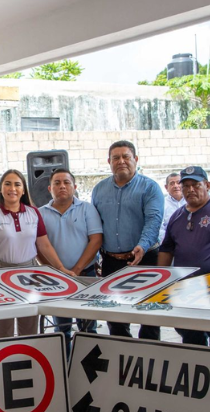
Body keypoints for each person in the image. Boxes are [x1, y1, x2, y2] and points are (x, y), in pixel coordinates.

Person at [0, 169, 72, 338]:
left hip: (30, 273)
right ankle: (3, 360)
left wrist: (61, 268)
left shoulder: (33, 213)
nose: (12, 188)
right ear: (0, 189)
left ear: (23, 190)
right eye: (7, 184)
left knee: (29, 325)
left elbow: (44, 245)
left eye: (17, 184)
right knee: (2, 326)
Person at [91, 140, 164, 340]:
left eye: (126, 157)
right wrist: (96, 256)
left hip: (145, 258)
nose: (121, 161)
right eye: (116, 158)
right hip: (111, 262)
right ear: (109, 161)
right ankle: (122, 358)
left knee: (149, 315)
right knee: (115, 316)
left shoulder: (150, 188)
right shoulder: (99, 190)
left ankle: (149, 359)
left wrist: (142, 245)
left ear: (136, 160)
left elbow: (153, 220)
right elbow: (96, 227)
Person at [159, 166, 210, 347]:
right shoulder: (177, 216)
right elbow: (166, 250)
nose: (190, 190)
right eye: (185, 186)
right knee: (191, 337)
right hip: (187, 289)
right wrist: (162, 281)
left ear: (208, 185)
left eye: (195, 185)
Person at [39, 168, 103, 353]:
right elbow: (38, 247)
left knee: (88, 326)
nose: (62, 186)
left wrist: (76, 269)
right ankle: (64, 368)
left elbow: (96, 240)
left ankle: (88, 369)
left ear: (74, 187)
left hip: (85, 275)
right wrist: (54, 270)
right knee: (61, 327)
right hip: (56, 279)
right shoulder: (41, 213)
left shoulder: (87, 209)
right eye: (57, 183)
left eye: (66, 182)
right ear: (50, 188)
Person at [159, 172, 185, 242]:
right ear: (166, 187)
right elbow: (160, 227)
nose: (176, 186)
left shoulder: (191, 202)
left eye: (178, 182)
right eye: (172, 183)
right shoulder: (162, 204)